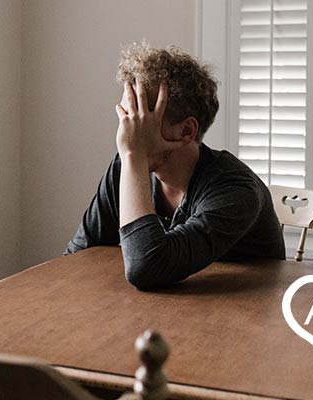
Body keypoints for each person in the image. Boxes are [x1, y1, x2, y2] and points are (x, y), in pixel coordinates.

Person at [65, 41, 285, 290]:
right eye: (126, 117)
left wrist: (134, 156)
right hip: (161, 312)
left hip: (244, 318)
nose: (126, 133)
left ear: (186, 130)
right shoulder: (126, 167)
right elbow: (76, 257)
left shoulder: (236, 190)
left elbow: (147, 268)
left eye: (139, 119)